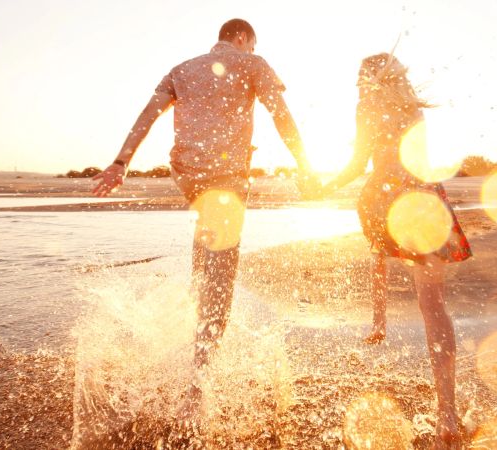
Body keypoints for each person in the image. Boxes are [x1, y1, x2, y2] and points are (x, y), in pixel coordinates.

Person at [91, 18, 318, 421]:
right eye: (249, 44)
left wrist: (120, 162)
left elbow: (147, 116)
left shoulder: (181, 69)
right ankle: (197, 388)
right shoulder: (253, 63)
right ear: (244, 38)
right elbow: (280, 115)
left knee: (205, 248)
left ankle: (192, 339)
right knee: (222, 274)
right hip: (226, 175)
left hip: (189, 174)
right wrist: (305, 164)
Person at [316, 53, 472, 448]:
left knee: (379, 250)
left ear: (368, 79)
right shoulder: (414, 109)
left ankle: (379, 319)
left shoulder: (365, 106)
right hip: (423, 198)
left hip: (384, 195)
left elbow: (357, 163)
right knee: (434, 306)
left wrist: (324, 186)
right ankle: (447, 416)